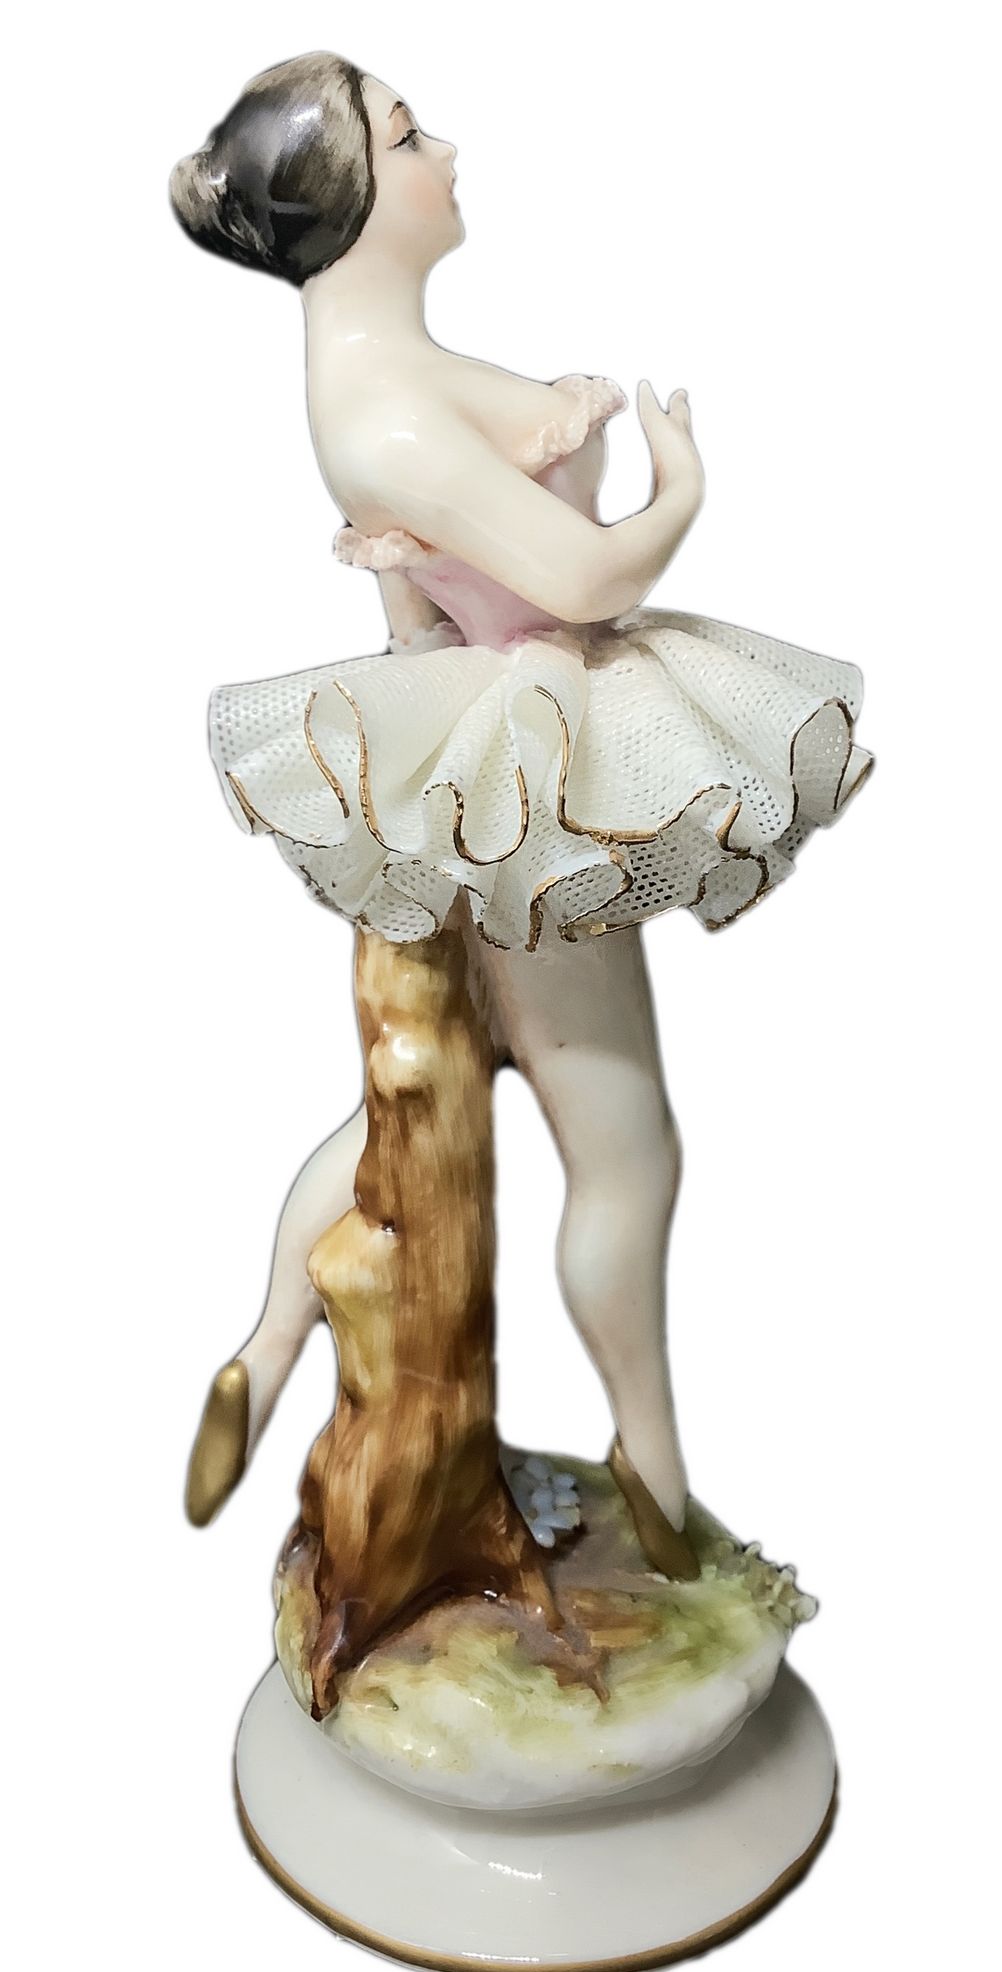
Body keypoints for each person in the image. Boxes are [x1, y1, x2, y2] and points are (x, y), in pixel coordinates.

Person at [171, 52, 872, 1576]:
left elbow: (506, 458)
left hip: (456, 757)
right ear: (353, 202)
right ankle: (659, 1485)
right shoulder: (387, 418)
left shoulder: (381, 372)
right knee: (625, 1144)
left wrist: (563, 422)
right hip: (522, 771)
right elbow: (587, 580)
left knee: (415, 1100)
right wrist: (674, 489)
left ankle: (271, 1335)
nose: (448, 146)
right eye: (410, 134)